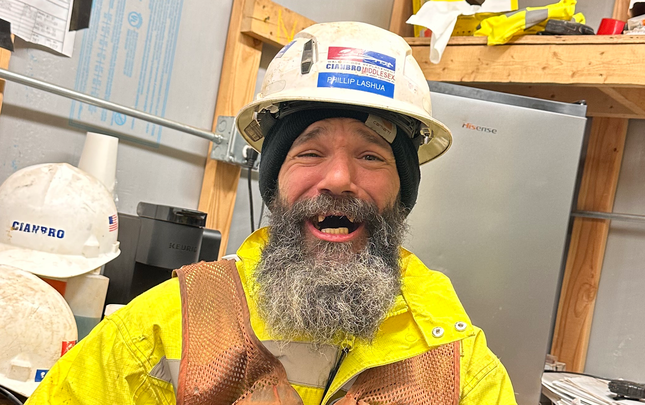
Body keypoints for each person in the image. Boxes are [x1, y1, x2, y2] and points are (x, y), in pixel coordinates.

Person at [26, 22, 516, 405]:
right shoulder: (165, 326)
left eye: (371, 156)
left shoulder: (458, 367)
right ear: (275, 184)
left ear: (402, 192)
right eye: (309, 152)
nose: (339, 178)